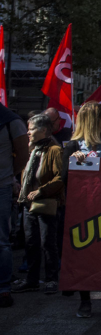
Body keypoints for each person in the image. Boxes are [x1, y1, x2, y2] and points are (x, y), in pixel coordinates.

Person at [62, 102, 101, 317]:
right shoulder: (73, 146)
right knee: (83, 256)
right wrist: (74, 164)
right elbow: (63, 179)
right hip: (82, 210)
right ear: (94, 120)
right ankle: (85, 301)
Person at [11, 114, 64, 296]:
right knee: (31, 242)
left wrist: (41, 191)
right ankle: (32, 280)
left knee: (47, 242)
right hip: (27, 204)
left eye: (31, 129)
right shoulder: (30, 149)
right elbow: (24, 172)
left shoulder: (55, 150)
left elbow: (60, 178)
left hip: (46, 203)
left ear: (43, 130)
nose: (28, 132)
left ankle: (51, 279)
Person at [0, 105, 28, 308]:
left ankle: (3, 289)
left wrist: (9, 177)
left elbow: (23, 155)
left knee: (1, 240)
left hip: (1, 186)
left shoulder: (11, 121)